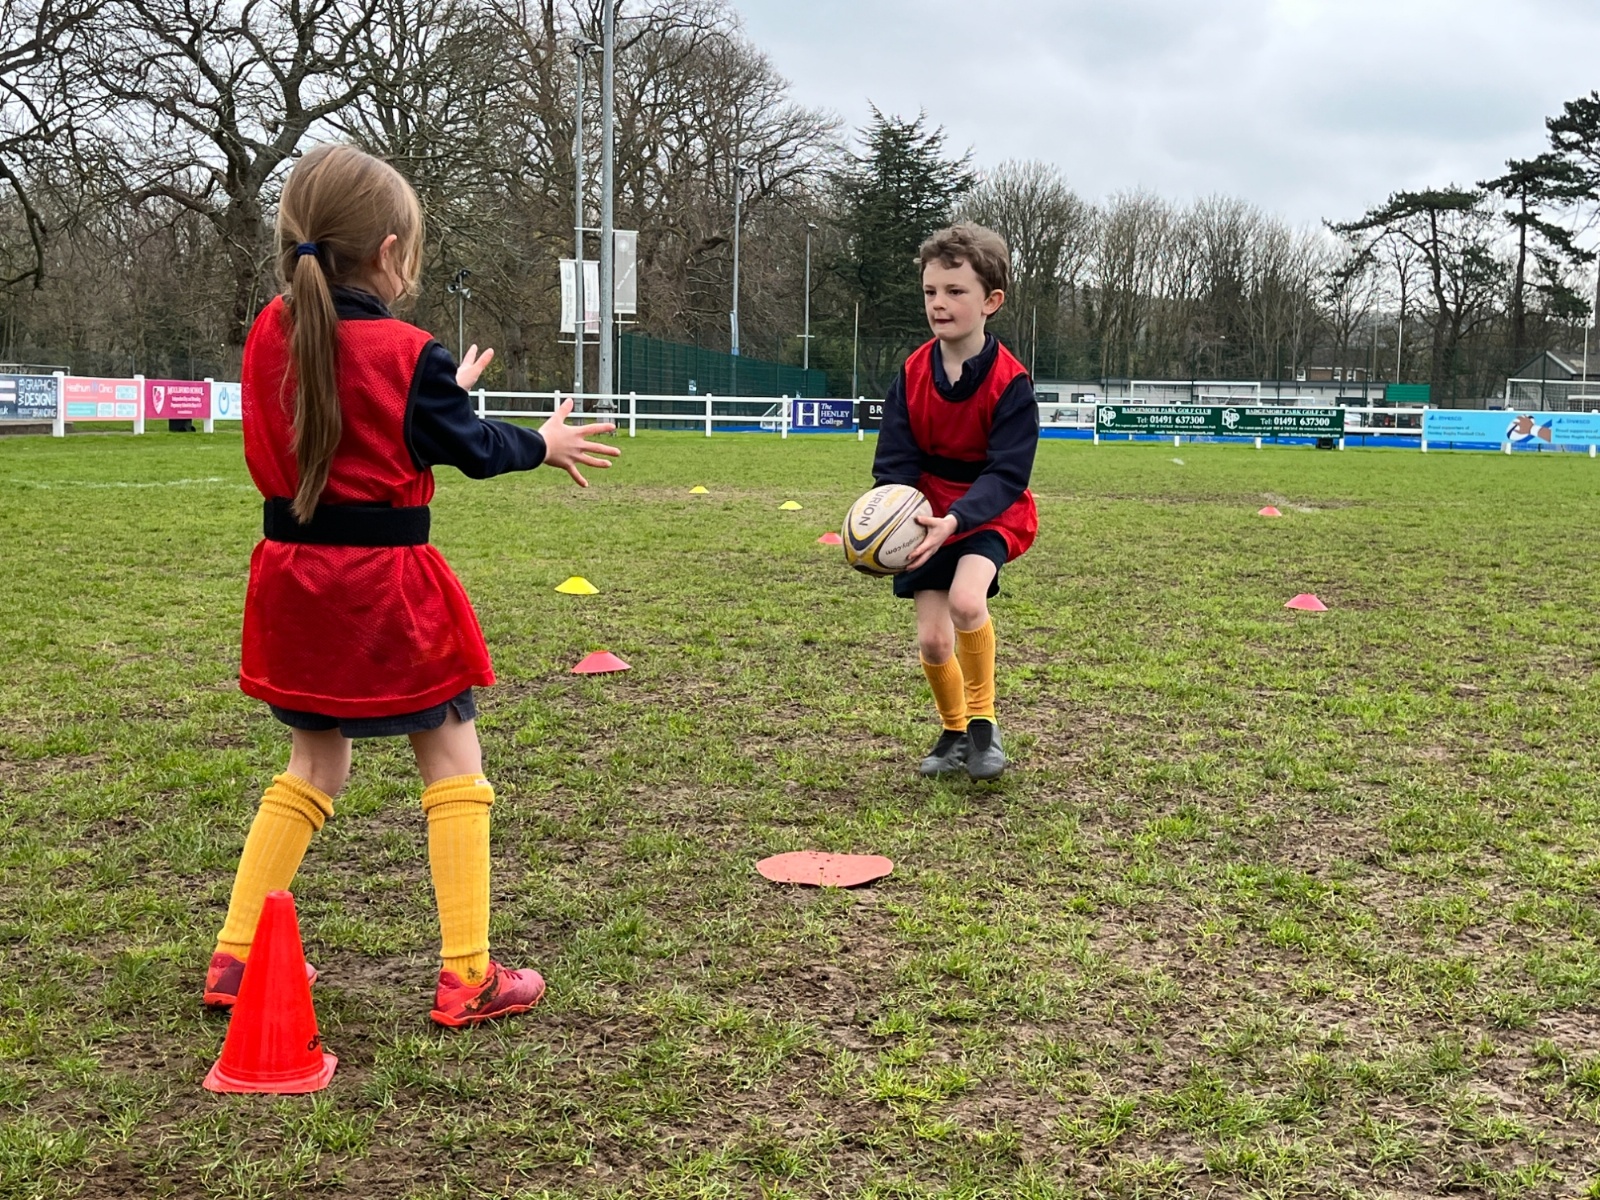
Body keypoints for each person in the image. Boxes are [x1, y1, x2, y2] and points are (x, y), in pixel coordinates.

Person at [205, 143, 619, 1027]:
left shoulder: (273, 330)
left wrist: (441, 394)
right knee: (454, 758)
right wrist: (542, 442)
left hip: (291, 585)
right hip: (384, 591)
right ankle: (468, 974)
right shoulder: (408, 353)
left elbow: (356, 408)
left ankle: (237, 956)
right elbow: (472, 447)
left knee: (314, 763)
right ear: (391, 252)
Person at [870, 223, 1039, 781]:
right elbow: (894, 460)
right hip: (925, 511)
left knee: (968, 602)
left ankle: (984, 726)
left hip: (988, 507)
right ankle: (954, 731)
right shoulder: (912, 372)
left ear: (991, 301)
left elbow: (1008, 472)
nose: (938, 303)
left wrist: (958, 518)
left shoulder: (1011, 382)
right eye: (930, 292)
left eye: (955, 291)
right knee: (933, 638)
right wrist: (887, 517)